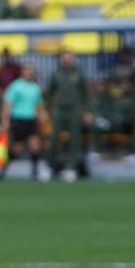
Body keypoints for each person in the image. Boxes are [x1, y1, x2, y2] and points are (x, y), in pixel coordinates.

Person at [45, 51, 90, 182]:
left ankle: (71, 168)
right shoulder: (56, 73)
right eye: (64, 58)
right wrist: (47, 110)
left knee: (74, 140)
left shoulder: (79, 73)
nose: (67, 60)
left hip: (74, 109)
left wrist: (86, 111)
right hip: (59, 109)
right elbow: (50, 92)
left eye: (69, 58)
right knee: (53, 138)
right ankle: (49, 167)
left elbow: (85, 94)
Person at [0, 64, 47, 181]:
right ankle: (2, 171)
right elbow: (7, 104)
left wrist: (42, 116)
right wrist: (5, 121)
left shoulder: (35, 88)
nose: (30, 73)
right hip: (18, 119)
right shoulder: (16, 86)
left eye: (31, 71)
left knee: (34, 146)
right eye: (27, 71)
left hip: (31, 120)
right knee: (16, 149)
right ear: (23, 72)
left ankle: (35, 173)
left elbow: (39, 105)